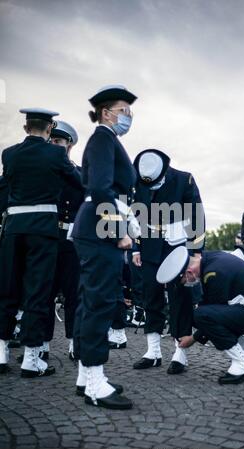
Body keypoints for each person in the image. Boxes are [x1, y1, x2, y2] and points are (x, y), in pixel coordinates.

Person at [0, 108, 82, 377]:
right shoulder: (56, 155)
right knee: (38, 292)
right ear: (49, 130)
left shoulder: (9, 154)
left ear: (25, 128)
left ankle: (1, 353)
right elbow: (80, 182)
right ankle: (32, 359)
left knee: (8, 289)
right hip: (42, 231)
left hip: (13, 229)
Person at [72, 85, 137, 410]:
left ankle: (86, 375)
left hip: (94, 227)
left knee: (89, 301)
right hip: (100, 229)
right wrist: (117, 231)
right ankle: (96, 382)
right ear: (106, 112)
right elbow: (100, 188)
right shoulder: (102, 138)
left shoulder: (106, 140)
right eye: (124, 110)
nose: (129, 116)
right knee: (100, 302)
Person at [156, 246, 244, 384]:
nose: (187, 285)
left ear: (189, 272)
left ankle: (242, 362)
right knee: (201, 315)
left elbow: (209, 316)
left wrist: (192, 339)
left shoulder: (213, 273)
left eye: (184, 282)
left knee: (202, 316)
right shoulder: (210, 259)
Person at [132, 149, 205, 374]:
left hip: (177, 246)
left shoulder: (184, 180)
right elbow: (135, 215)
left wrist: (196, 253)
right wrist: (136, 246)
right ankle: (153, 352)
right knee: (150, 294)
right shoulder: (138, 180)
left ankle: (180, 352)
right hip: (150, 244)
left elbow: (196, 217)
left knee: (179, 298)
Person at [40, 120, 84, 360]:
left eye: (60, 141)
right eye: (53, 141)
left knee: (73, 294)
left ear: (69, 145)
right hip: (47, 237)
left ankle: (73, 343)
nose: (56, 145)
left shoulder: (79, 174)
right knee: (44, 293)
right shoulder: (44, 173)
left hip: (72, 240)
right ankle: (42, 346)